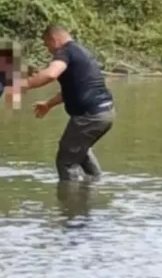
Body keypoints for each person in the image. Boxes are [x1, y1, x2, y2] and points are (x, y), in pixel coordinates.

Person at [19, 25, 114, 181]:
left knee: (66, 162)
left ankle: (70, 203)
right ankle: (94, 186)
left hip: (90, 116)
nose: (48, 50)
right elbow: (75, 89)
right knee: (80, 151)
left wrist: (24, 84)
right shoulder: (81, 52)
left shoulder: (65, 52)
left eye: (47, 44)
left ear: (54, 39)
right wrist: (48, 104)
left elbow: (50, 74)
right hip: (106, 113)